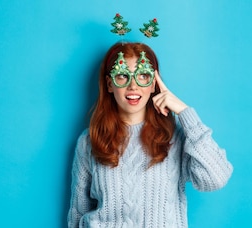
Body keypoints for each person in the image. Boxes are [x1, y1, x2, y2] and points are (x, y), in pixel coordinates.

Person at [67, 42, 233, 227]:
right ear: (109, 84)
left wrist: (184, 111)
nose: (133, 86)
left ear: (154, 83)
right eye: (122, 76)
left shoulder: (175, 137)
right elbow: (78, 212)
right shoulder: (88, 142)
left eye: (143, 76)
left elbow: (215, 179)